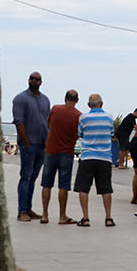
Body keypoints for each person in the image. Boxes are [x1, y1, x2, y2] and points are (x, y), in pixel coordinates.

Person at [11, 71, 50, 222]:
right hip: (29, 144)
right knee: (25, 177)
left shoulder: (45, 100)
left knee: (33, 178)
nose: (34, 81)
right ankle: (22, 211)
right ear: (28, 80)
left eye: (37, 79)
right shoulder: (20, 99)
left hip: (42, 144)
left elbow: (47, 122)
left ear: (41, 82)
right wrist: (26, 142)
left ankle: (28, 208)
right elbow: (18, 122)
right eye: (32, 78)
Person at [73, 93, 116, 227]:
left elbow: (80, 134)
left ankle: (85, 218)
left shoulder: (83, 118)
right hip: (105, 158)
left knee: (83, 188)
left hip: (87, 157)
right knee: (106, 189)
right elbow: (112, 133)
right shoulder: (109, 118)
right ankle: (108, 217)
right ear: (101, 104)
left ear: (88, 105)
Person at [40, 89, 82, 225]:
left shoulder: (55, 109)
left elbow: (48, 123)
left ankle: (45, 215)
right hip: (67, 153)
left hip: (51, 150)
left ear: (65, 98)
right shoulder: (78, 115)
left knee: (46, 184)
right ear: (77, 100)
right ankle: (62, 216)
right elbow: (79, 133)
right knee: (63, 185)